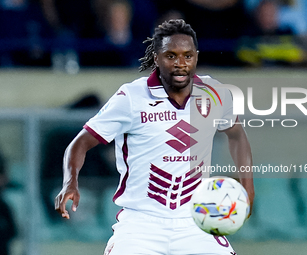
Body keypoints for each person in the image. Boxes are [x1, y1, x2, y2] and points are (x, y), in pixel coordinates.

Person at [55, 19, 254, 255]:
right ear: (157, 58)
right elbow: (80, 142)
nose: (180, 63)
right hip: (141, 224)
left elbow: (237, 135)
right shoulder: (131, 96)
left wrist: (247, 186)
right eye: (171, 56)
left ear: (196, 57)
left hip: (196, 221)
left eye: (187, 56)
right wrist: (70, 181)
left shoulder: (215, 93)